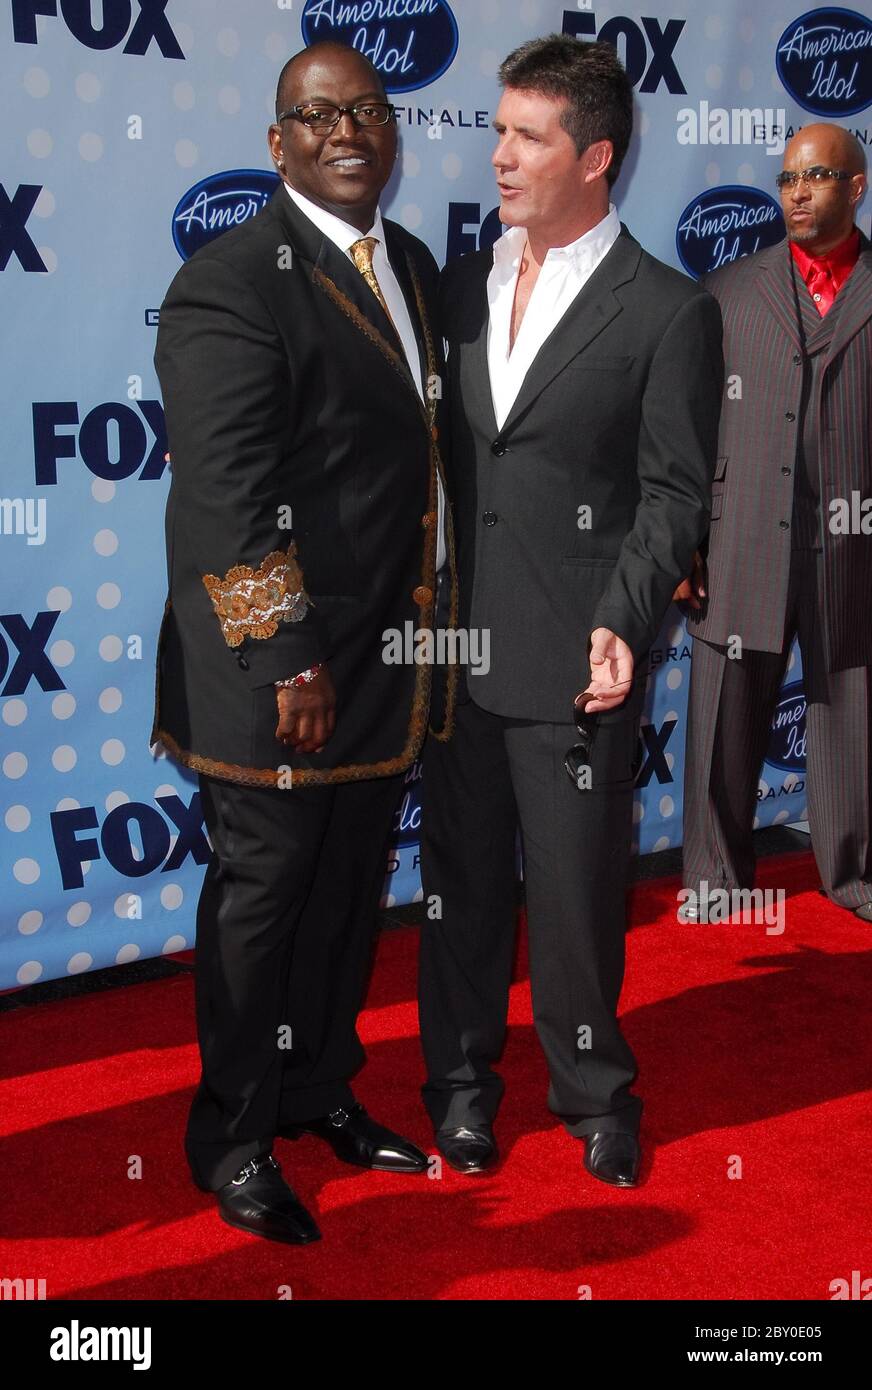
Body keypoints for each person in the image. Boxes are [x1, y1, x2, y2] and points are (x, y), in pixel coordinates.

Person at [152, 39, 456, 1244]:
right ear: (276, 144)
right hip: (277, 675)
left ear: (392, 132)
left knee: (343, 898)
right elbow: (225, 493)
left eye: (367, 110)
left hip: (388, 664)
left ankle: (316, 1086)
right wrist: (287, 656)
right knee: (262, 903)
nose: (346, 131)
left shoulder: (417, 268)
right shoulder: (231, 281)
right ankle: (228, 1138)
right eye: (315, 115)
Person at [418, 35, 722, 1187]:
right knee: (455, 883)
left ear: (593, 156)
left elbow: (672, 491)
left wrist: (624, 612)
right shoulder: (461, 281)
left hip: (576, 655)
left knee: (577, 896)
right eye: (496, 129)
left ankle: (594, 1093)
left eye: (523, 136)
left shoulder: (665, 310)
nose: (495, 155)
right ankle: (456, 1085)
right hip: (457, 654)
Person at [681, 124, 872, 924]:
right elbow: (686, 431)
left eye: (817, 177)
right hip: (741, 537)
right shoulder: (727, 291)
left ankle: (854, 872)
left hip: (854, 539)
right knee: (726, 711)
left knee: (852, 709)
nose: (797, 192)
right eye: (788, 178)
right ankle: (716, 878)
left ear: (855, 187)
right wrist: (687, 539)